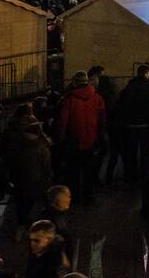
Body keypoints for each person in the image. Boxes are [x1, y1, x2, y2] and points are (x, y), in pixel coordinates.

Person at [55, 71, 106, 205]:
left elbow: (62, 121)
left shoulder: (69, 99)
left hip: (74, 141)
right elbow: (102, 119)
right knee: (89, 171)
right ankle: (89, 197)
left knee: (74, 172)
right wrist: (100, 136)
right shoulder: (97, 97)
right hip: (91, 141)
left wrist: (60, 139)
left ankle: (76, 197)